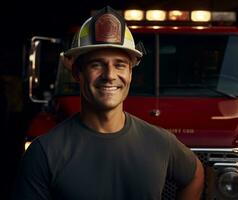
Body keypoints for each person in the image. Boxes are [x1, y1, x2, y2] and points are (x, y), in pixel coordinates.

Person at [13, 6, 204, 200]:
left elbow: (195, 174)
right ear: (77, 73)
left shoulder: (161, 142)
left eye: (120, 65)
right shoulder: (44, 153)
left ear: (130, 74)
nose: (110, 76)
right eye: (97, 64)